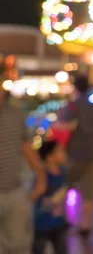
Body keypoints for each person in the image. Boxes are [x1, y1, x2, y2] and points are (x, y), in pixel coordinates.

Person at [0, 76, 46, 253]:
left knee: (18, 244)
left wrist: (41, 175)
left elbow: (25, 146)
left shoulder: (15, 115)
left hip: (15, 190)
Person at [59, 75, 93, 237]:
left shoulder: (73, 106)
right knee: (89, 191)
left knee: (65, 187)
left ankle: (63, 219)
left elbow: (66, 127)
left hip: (74, 154)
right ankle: (85, 225)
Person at [32, 140, 68, 254]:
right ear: (49, 157)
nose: (64, 154)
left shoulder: (62, 172)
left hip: (59, 223)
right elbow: (33, 196)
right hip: (41, 224)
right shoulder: (41, 176)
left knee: (61, 249)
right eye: (60, 151)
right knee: (38, 249)